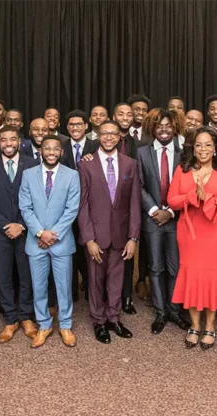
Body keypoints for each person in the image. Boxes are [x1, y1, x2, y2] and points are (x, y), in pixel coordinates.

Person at [167, 127, 217, 350]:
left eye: (208, 144)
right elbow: (172, 200)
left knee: (213, 277)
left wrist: (208, 198)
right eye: (198, 145)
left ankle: (210, 326)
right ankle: (194, 325)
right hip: (190, 234)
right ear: (192, 148)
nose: (203, 149)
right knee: (192, 275)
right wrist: (192, 196)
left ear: (216, 148)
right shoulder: (182, 169)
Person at [77, 121, 140, 344]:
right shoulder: (86, 165)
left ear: (119, 137)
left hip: (121, 235)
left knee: (116, 279)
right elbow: (82, 205)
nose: (109, 137)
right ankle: (98, 321)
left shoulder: (130, 164)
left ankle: (113, 318)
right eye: (105, 133)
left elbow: (134, 203)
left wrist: (133, 238)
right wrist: (89, 239)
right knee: (95, 280)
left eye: (113, 133)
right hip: (96, 235)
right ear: (97, 136)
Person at [0, 126, 39, 344]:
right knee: (3, 277)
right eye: (3, 140)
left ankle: (26, 317)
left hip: (26, 231)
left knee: (26, 275)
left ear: (19, 141)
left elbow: (38, 198)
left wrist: (20, 225)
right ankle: (10, 319)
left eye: (13, 139)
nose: (8, 143)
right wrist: (6, 225)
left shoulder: (32, 164)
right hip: (0, 232)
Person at [20, 138, 81, 348]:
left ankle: (65, 325)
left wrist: (52, 234)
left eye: (55, 149)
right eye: (47, 148)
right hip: (36, 241)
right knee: (38, 286)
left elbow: (72, 209)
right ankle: (44, 325)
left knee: (64, 286)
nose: (51, 152)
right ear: (41, 151)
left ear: (61, 152)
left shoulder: (72, 175)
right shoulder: (28, 174)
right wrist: (40, 233)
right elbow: (25, 207)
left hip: (61, 242)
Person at [137, 109, 187, 334]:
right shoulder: (142, 153)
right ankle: (160, 312)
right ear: (152, 128)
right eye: (159, 126)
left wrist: (171, 211)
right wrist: (155, 210)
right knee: (156, 267)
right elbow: (139, 185)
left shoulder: (184, 153)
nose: (164, 129)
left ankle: (174, 310)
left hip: (177, 219)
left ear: (175, 127)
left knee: (175, 267)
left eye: (168, 125)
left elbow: (188, 186)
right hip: (153, 220)